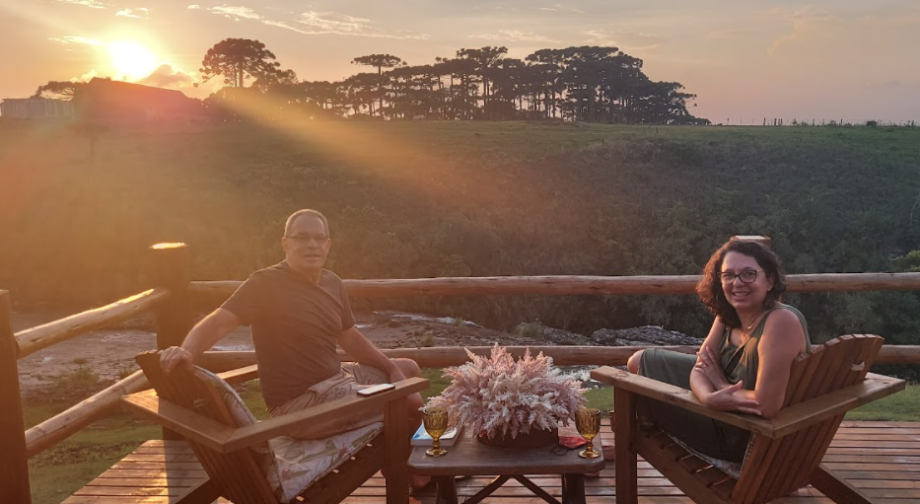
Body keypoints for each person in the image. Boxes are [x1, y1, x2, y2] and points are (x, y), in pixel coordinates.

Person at [159, 209, 429, 487]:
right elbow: (218, 322)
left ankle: (403, 466)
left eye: (318, 238)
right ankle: (417, 473)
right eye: (302, 238)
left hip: (337, 381)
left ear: (327, 244)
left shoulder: (332, 282)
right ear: (286, 243)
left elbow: (348, 337)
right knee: (408, 400)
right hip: (301, 406)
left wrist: (392, 367)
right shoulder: (266, 284)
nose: (311, 244)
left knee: (408, 369)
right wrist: (187, 351)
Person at [625, 238, 810, 463]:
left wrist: (721, 385)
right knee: (639, 361)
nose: (737, 282)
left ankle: (626, 439)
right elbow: (700, 367)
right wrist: (709, 398)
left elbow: (766, 405)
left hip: (743, 435)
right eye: (728, 275)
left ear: (769, 280)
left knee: (637, 394)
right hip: (721, 410)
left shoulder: (780, 322)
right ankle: (631, 433)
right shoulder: (729, 315)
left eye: (748, 274)